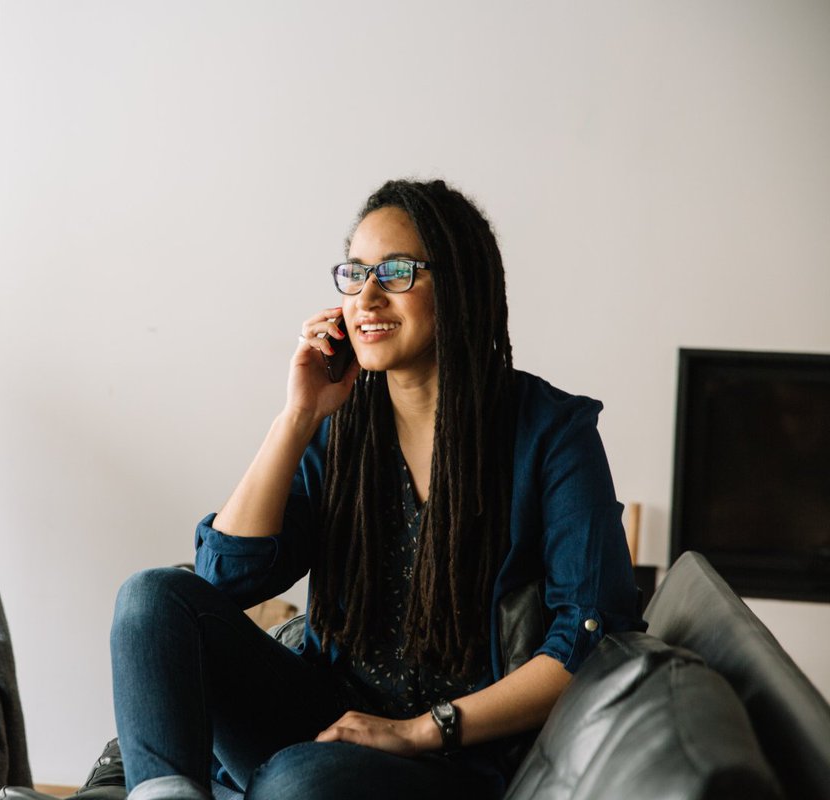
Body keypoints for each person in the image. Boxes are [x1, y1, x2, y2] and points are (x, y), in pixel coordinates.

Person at [109, 178, 643, 800]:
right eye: (356, 273)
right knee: (151, 597)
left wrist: (418, 731)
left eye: (395, 272)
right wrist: (297, 417)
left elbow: (591, 634)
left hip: (455, 755)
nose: (366, 296)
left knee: (295, 781)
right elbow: (225, 578)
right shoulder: (343, 429)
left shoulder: (550, 433)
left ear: (458, 285)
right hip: (330, 721)